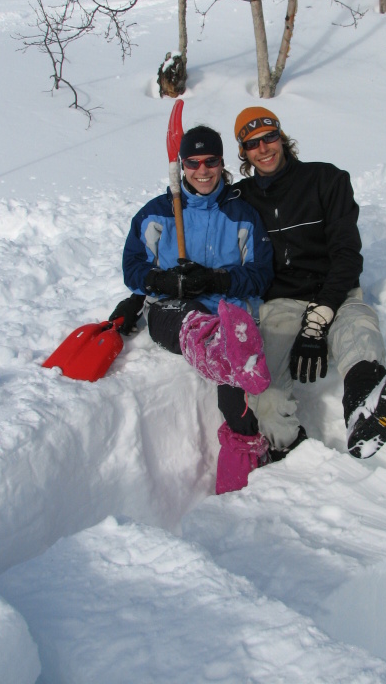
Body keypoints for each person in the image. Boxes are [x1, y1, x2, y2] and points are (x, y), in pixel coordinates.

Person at [233, 106, 386, 460]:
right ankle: (289, 451)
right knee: (265, 387)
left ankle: (364, 408)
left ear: (282, 137)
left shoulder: (327, 180)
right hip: (281, 304)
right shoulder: (242, 198)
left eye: (270, 137)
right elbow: (199, 212)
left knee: (359, 327)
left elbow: (347, 254)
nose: (264, 149)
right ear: (244, 153)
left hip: (336, 291)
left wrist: (321, 315)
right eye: (252, 144)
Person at [109, 125, 274, 494]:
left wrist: (218, 280)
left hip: (229, 312)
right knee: (193, 324)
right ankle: (217, 345)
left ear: (221, 163)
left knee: (234, 361)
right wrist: (165, 282)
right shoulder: (156, 214)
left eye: (211, 161)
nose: (202, 170)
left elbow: (261, 275)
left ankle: (241, 473)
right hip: (175, 310)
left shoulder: (242, 215)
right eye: (193, 162)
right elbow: (133, 268)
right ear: (182, 165)